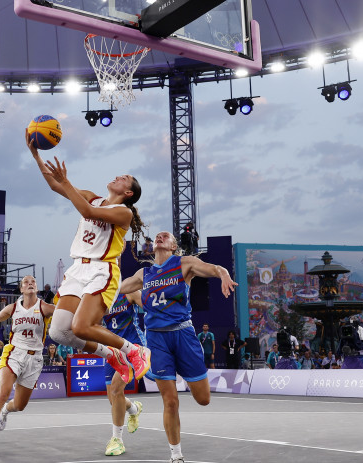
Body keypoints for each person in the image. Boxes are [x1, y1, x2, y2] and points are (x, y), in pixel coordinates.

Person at [28, 132, 149, 384]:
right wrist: (36, 154)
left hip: (101, 270)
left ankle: (135, 351)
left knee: (82, 327)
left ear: (128, 192)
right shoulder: (94, 196)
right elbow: (54, 184)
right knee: (60, 331)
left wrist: (67, 182)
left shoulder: (123, 212)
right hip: (77, 269)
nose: (118, 176)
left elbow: (86, 211)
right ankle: (112, 354)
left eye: (123, 178)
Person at [118, 230, 237, 463]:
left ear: (174, 246)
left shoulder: (184, 264)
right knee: (170, 400)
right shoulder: (144, 273)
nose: (160, 238)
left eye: (166, 236)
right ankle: (176, 455)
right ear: (153, 247)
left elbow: (213, 268)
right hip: (156, 338)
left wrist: (223, 274)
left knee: (203, 399)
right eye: (157, 237)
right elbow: (118, 288)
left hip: (183, 334)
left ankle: (188, 373)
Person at [0, 275, 56, 453]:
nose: (30, 284)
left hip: (35, 358)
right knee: (2, 393)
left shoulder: (44, 307)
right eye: (26, 282)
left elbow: (66, 312)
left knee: (20, 405)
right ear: (21, 289)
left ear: (36, 288)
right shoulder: (13, 308)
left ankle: (6, 411)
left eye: (33, 282)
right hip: (14, 353)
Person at [101, 290, 146, 456]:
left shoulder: (129, 292)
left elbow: (151, 308)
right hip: (111, 348)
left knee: (116, 388)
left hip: (131, 346)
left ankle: (117, 440)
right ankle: (134, 409)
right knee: (113, 399)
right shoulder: (101, 297)